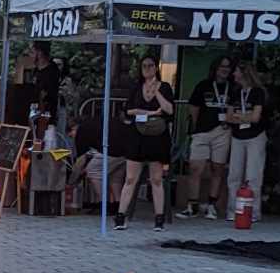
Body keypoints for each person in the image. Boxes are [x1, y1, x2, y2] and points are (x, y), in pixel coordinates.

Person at [114, 54, 174, 231]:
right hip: (137, 135)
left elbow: (169, 110)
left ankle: (159, 218)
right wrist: (151, 113)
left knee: (156, 179)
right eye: (144, 66)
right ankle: (120, 216)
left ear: (156, 67)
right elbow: (129, 110)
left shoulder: (165, 87)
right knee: (130, 178)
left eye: (150, 65)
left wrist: (156, 93)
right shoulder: (136, 87)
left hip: (157, 136)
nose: (147, 69)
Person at [177, 54, 233, 220]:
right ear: (215, 68)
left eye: (227, 67)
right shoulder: (203, 85)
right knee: (195, 168)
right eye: (222, 66)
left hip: (223, 131)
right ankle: (192, 205)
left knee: (218, 168)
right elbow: (193, 107)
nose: (225, 69)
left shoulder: (233, 87)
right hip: (202, 132)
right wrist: (198, 126)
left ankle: (211, 206)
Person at [225, 60, 268, 222]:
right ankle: (233, 211)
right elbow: (229, 117)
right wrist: (244, 117)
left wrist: (239, 116)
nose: (233, 74)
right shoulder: (236, 92)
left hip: (255, 137)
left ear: (244, 73)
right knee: (234, 175)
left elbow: (256, 117)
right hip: (237, 136)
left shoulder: (258, 92)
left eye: (236, 71)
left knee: (253, 175)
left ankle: (253, 212)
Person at [31, 42, 61, 123]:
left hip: (47, 111)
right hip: (34, 108)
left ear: (40, 52)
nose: (31, 55)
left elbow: (50, 93)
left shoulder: (52, 71)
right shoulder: (36, 70)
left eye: (33, 52)